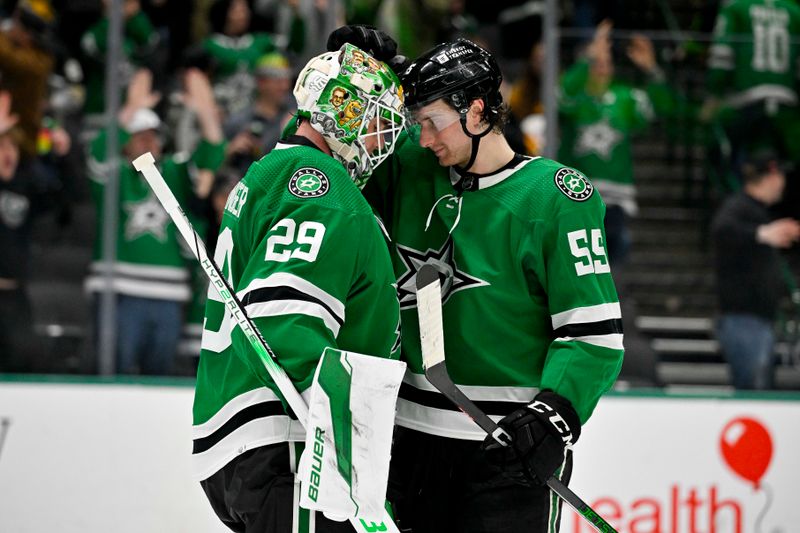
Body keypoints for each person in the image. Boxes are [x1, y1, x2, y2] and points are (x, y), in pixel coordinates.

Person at [347, 35, 624, 532]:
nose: (424, 137)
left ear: (476, 112)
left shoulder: (557, 198)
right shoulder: (409, 165)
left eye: (433, 122)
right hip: (404, 443)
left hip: (503, 449)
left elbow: (593, 335)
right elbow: (319, 163)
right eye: (417, 123)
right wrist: (343, 91)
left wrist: (553, 416)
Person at [192, 43, 405, 533]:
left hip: (247, 435)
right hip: (290, 441)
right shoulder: (325, 189)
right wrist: (348, 444)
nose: (382, 139)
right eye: (375, 120)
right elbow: (283, 324)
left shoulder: (274, 170)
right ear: (342, 113)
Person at [85, 68, 225, 375]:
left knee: (156, 379)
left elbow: (211, 152)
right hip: (119, 291)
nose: (149, 142)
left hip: (168, 295)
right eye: (140, 136)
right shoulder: (113, 178)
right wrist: (131, 107)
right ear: (125, 142)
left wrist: (204, 112)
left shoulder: (173, 173)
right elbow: (96, 154)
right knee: (113, 376)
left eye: (154, 136)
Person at [558, 19, 673, 266]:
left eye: (606, 63)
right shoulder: (576, 99)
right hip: (575, 195)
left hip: (615, 199)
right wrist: (587, 57)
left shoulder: (626, 97)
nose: (602, 68)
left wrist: (652, 70)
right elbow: (563, 94)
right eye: (596, 63)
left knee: (612, 263)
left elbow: (664, 109)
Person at [711, 150, 800, 390]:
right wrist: (762, 234)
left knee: (760, 387)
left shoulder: (758, 211)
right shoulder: (739, 206)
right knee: (753, 389)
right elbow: (721, 230)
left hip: (757, 320)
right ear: (771, 176)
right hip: (744, 320)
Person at [703, 0, 800, 180]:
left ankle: (738, 198)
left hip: (746, 103)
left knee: (719, 150)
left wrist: (714, 94)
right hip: (787, 106)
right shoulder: (794, 11)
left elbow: (721, 58)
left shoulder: (736, 8)